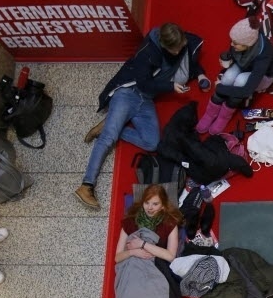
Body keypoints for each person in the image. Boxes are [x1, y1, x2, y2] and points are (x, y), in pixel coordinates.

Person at [76, 22, 210, 210]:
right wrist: (170, 87)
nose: (181, 50)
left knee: (152, 142)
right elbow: (144, 84)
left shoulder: (178, 41)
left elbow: (188, 58)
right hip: (129, 94)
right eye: (177, 49)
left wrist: (201, 74)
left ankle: (111, 124)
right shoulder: (147, 54)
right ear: (165, 46)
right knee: (108, 139)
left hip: (146, 101)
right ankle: (86, 185)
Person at [196, 18, 273, 136]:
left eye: (235, 43)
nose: (231, 44)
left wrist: (219, 88)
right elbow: (234, 53)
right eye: (232, 41)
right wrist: (228, 60)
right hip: (245, 65)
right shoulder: (244, 41)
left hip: (263, 77)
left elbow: (246, 91)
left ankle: (224, 116)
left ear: (247, 45)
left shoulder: (264, 55)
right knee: (228, 77)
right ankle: (210, 113)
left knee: (240, 81)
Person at [116, 184, 183, 266]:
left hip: (156, 267)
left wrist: (142, 244)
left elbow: (170, 256)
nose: (149, 208)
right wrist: (133, 252)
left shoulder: (169, 224)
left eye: (155, 204)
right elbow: (117, 257)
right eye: (147, 203)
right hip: (132, 266)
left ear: (163, 206)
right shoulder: (130, 222)